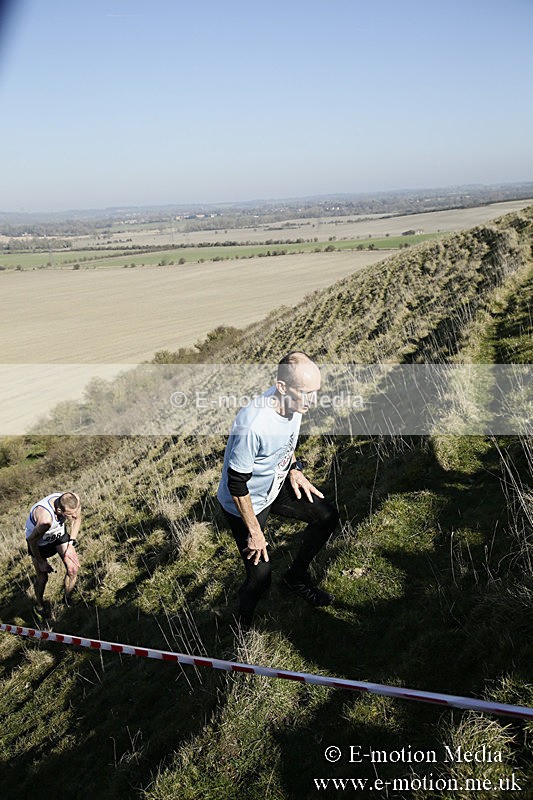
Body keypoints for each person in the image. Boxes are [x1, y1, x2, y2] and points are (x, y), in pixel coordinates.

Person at [217, 351, 339, 628]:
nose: (312, 400)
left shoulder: (294, 404)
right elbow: (236, 483)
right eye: (305, 393)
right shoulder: (253, 424)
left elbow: (285, 440)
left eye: (315, 392)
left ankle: (295, 579)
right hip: (246, 501)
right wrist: (255, 532)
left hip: (276, 482)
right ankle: (242, 629)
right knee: (260, 578)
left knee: (326, 517)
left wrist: (295, 468)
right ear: (281, 387)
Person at [25, 491, 81, 623]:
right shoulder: (45, 519)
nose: (73, 515)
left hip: (58, 535)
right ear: (59, 510)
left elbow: (77, 519)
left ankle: (67, 600)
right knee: (43, 578)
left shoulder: (73, 500)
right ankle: (39, 607)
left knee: (73, 569)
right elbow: (31, 541)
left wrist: (71, 544)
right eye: (69, 514)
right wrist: (41, 562)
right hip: (39, 543)